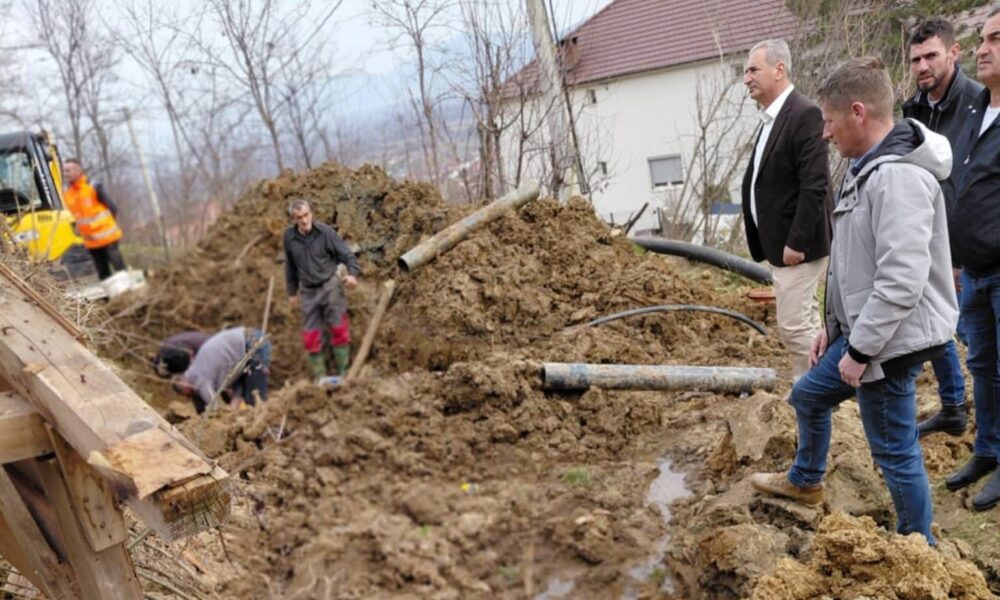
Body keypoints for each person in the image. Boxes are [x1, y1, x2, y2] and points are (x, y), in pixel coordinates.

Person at [750, 57, 959, 544]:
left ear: (858, 112)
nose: (825, 132)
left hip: (889, 342)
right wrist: (834, 327)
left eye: (829, 120)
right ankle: (806, 480)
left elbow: (900, 281)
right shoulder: (865, 169)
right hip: (863, 332)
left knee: (893, 449)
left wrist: (860, 350)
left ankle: (917, 546)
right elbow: (852, 262)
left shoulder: (898, 178)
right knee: (807, 395)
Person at [902, 17, 981, 438]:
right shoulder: (913, 109)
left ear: (953, 53)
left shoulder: (978, 104)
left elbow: (973, 183)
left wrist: (958, 255)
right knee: (934, 323)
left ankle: (988, 432)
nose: (922, 66)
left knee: (976, 340)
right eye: (915, 59)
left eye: (931, 56)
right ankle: (953, 406)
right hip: (925, 237)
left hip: (966, 246)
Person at [741, 39, 834, 380]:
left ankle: (820, 391)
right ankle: (812, 394)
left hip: (798, 248)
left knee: (794, 327)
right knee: (805, 323)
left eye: (753, 70)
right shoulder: (772, 118)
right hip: (782, 246)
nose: (746, 78)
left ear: (779, 70)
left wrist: (796, 241)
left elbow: (815, 184)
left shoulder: (804, 114)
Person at [941, 6, 1000, 511]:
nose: (983, 49)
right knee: (982, 366)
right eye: (982, 39)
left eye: (996, 39)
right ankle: (988, 450)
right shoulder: (977, 107)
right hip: (973, 272)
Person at [284, 199, 360, 379]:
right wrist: (292, 292)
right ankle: (320, 379)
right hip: (308, 291)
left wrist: (352, 275)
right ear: (294, 219)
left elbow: (347, 255)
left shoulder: (326, 233)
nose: (304, 220)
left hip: (330, 286)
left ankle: (344, 374)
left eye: (306, 215)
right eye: (299, 217)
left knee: (339, 329)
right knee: (311, 336)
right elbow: (290, 265)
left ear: (311, 213)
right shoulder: (289, 237)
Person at [172, 326, 270, 413]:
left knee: (255, 401)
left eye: (187, 394)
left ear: (186, 388)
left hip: (251, 343)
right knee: (250, 401)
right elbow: (238, 382)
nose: (188, 397)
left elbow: (214, 405)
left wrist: (223, 414)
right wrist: (235, 399)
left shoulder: (200, 379)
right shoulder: (197, 369)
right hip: (247, 341)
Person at [62, 158, 127, 281]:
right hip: (91, 241)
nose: (65, 174)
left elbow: (112, 207)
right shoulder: (67, 193)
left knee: (119, 269)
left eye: (68, 170)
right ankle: (111, 292)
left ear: (78, 170)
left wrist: (107, 225)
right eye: (64, 171)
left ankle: (128, 289)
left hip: (108, 236)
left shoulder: (93, 186)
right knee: (103, 272)